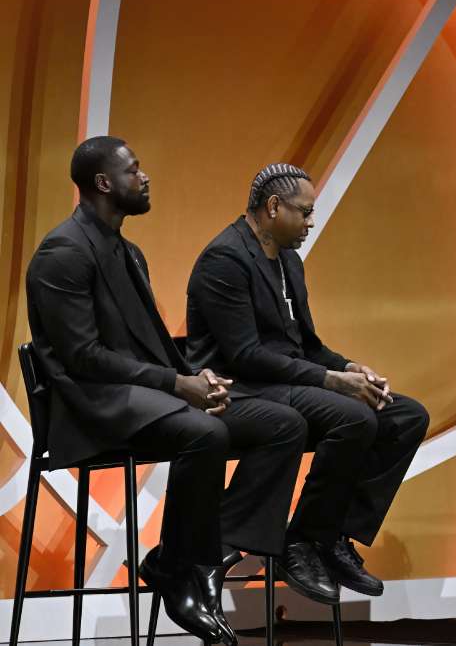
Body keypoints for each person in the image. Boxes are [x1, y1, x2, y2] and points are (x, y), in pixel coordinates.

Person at [25, 137, 308, 644]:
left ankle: (190, 555)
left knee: (281, 423)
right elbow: (83, 357)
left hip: (137, 394)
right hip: (90, 405)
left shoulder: (128, 251)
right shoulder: (63, 253)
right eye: (134, 170)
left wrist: (198, 381)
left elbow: (149, 346)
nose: (145, 177)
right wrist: (178, 384)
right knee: (203, 434)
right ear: (104, 184)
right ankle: (185, 572)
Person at [186, 163, 430, 606]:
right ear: (273, 206)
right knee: (352, 416)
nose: (310, 222)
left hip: (286, 383)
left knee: (405, 415)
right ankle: (300, 544)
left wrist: (349, 367)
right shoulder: (225, 259)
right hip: (241, 388)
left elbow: (306, 346)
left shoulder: (290, 263)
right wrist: (328, 381)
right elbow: (246, 356)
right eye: (304, 212)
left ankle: (330, 534)